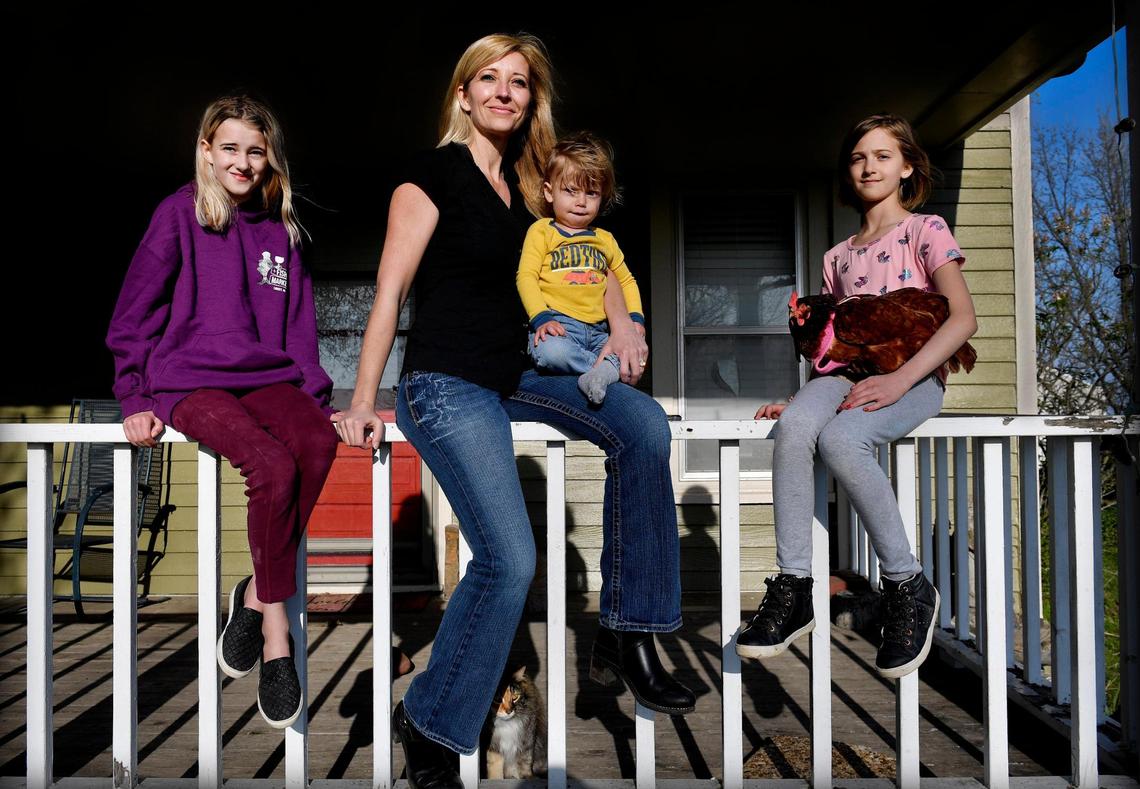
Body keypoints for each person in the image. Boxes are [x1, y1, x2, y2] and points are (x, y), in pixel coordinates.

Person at [332, 33, 694, 789]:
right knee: (510, 560)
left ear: (533, 99)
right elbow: (391, 292)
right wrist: (365, 398)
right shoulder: (429, 178)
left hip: (521, 371)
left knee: (643, 425)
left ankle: (630, 631)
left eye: (519, 82)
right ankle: (428, 720)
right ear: (462, 94)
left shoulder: (532, 190)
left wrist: (623, 320)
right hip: (447, 383)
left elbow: (591, 262)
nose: (504, 91)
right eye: (488, 79)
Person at [106, 95, 338, 728]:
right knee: (270, 464)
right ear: (206, 150)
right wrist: (133, 396)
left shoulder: (280, 232)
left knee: (314, 444)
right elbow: (135, 313)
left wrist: (314, 402)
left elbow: (298, 331)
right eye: (229, 148)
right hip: (189, 381)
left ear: (270, 160)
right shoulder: (178, 215)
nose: (242, 161)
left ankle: (256, 596)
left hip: (266, 378)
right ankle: (276, 637)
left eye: (255, 151)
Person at [736, 114, 978, 679]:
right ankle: (795, 585)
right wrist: (800, 401)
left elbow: (963, 319)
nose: (869, 166)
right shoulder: (838, 257)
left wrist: (900, 380)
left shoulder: (926, 231)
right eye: (858, 157)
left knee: (844, 441)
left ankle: (906, 584)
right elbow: (836, 343)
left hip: (911, 375)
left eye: (883, 155)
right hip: (848, 375)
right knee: (795, 427)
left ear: (907, 166)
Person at [516, 132, 644, 404]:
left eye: (591, 193)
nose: (581, 201)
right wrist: (540, 318)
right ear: (549, 192)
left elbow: (626, 281)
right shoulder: (541, 231)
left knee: (634, 356)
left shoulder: (604, 239)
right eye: (570, 191)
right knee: (552, 353)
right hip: (558, 325)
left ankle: (599, 374)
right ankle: (603, 372)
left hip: (599, 330)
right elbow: (526, 276)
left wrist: (635, 320)